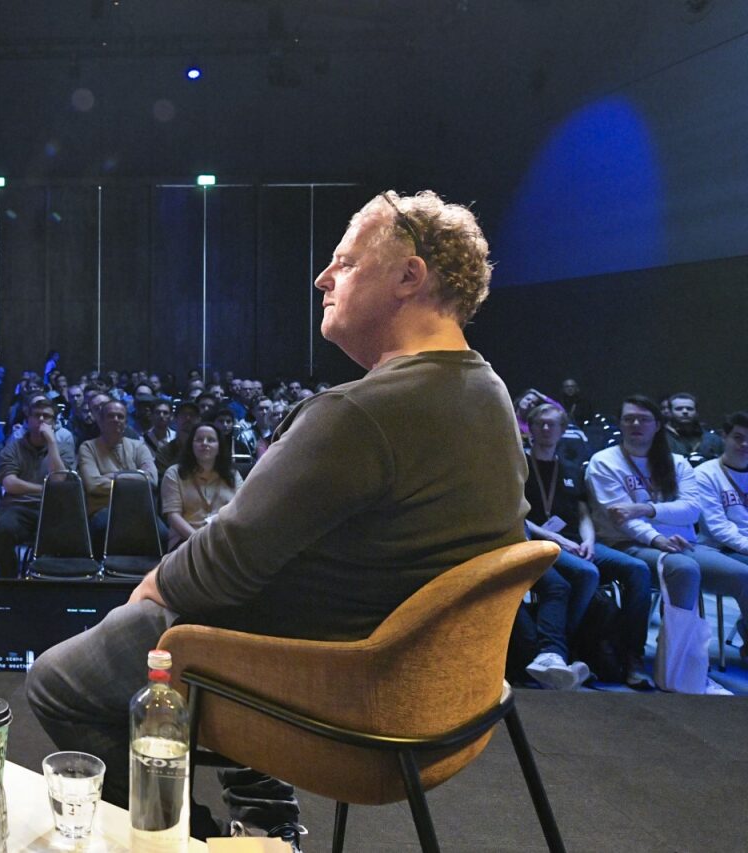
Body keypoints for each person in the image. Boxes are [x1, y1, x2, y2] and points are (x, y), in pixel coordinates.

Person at [28, 190, 527, 844]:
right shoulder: (489, 394)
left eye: (346, 262)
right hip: (438, 704)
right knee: (240, 607)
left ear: (409, 276)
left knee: (57, 680)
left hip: (343, 709)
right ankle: (265, 819)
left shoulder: (361, 414)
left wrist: (152, 588)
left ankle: (201, 839)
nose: (322, 277)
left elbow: (221, 563)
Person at [586, 395, 748, 695]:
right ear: (620, 423)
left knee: (743, 575)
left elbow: (691, 509)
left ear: (658, 425)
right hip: (627, 544)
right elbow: (620, 517)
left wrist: (645, 509)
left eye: (644, 419)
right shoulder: (604, 461)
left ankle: (715, 655)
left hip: (681, 543)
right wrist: (657, 537)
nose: (636, 424)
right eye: (629, 419)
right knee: (684, 569)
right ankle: (680, 670)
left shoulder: (677, 463)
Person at [521, 404, 652, 689]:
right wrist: (558, 539)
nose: (546, 429)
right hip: (540, 542)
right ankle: (565, 649)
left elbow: (584, 515)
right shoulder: (520, 468)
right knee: (587, 573)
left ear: (562, 430)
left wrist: (589, 541)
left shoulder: (570, 469)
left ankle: (632, 656)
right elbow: (518, 517)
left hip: (577, 542)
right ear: (530, 428)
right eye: (541, 424)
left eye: (552, 424)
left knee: (637, 568)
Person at [0, 395, 76, 578]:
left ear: (54, 422)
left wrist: (52, 443)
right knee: (2, 530)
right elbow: (10, 484)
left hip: (54, 510)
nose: (41, 420)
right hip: (19, 508)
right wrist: (44, 489)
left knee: (73, 535)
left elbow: (59, 481)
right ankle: (7, 582)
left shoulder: (63, 449)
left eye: (47, 416)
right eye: (37, 415)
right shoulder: (13, 448)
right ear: (28, 420)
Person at [77, 398, 158, 551]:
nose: (116, 420)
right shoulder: (88, 447)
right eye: (110, 416)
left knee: (163, 535)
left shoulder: (138, 446)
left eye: (120, 416)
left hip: (137, 508)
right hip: (103, 509)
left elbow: (152, 480)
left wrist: (112, 476)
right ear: (100, 421)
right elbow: (93, 485)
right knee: (103, 527)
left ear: (126, 423)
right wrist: (136, 476)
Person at [160, 422, 243, 551]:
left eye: (211, 440)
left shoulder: (233, 475)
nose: (204, 443)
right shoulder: (174, 473)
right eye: (199, 440)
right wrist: (201, 542)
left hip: (224, 540)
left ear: (219, 447)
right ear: (191, 445)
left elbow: (242, 510)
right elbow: (173, 516)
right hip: (185, 541)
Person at [692, 411, 748, 572]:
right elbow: (718, 528)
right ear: (724, 436)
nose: (745, 444)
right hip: (720, 548)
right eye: (738, 437)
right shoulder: (705, 474)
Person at [663, 392, 723, 465]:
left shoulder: (713, 440)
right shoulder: (660, 438)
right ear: (669, 412)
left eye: (689, 409)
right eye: (679, 409)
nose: (685, 411)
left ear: (696, 412)